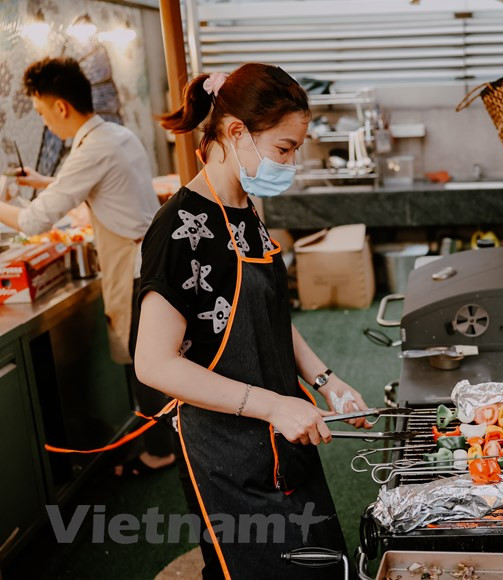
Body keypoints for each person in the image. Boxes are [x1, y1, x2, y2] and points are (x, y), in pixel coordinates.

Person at [135, 63, 371, 579]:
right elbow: (152, 364)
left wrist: (327, 381)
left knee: (322, 561)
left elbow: (266, 314)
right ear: (236, 132)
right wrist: (272, 407)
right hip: (229, 454)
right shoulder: (177, 230)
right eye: (284, 149)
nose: (290, 162)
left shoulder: (246, 207)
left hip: (287, 430)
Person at [0, 57, 175, 476]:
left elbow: (32, 221)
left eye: (41, 112)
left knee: (144, 364)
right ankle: (167, 440)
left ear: (60, 107)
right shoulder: (114, 134)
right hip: (145, 259)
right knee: (150, 358)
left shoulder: (93, 146)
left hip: (134, 268)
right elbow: (99, 183)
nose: (44, 122)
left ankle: (162, 450)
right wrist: (44, 183)